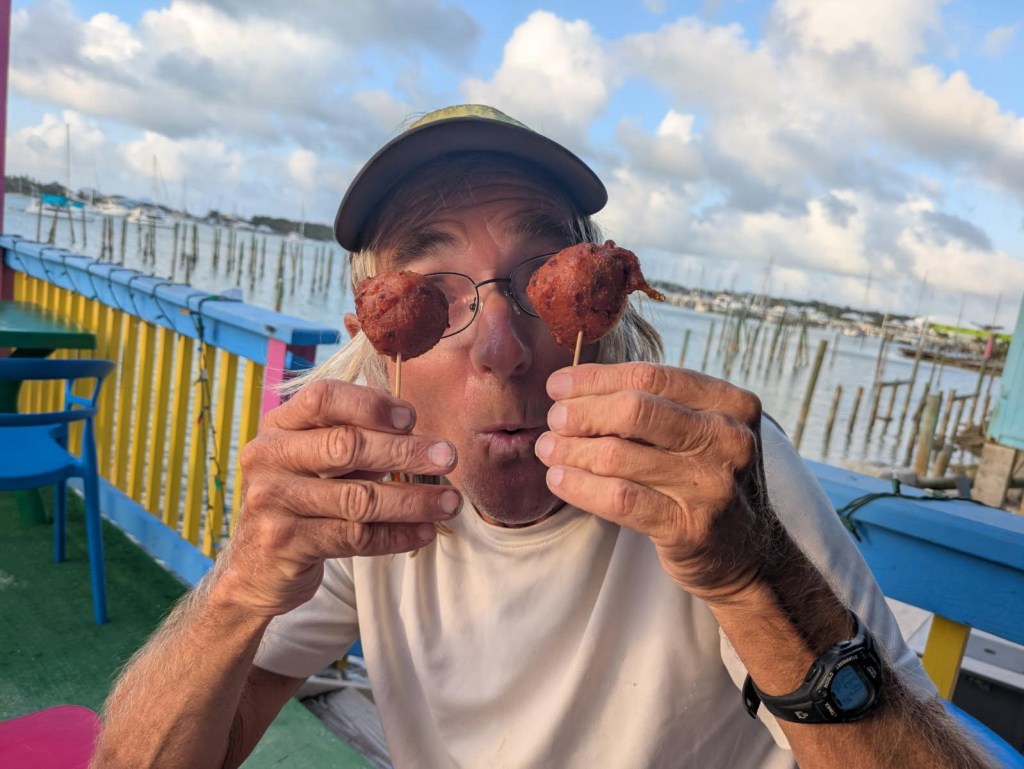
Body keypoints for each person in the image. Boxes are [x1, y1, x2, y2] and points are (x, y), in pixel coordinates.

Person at [91, 105, 994, 769]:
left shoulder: (724, 483)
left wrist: (754, 576)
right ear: (375, 341)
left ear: (606, 305)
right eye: (432, 293)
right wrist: (239, 588)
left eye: (543, 276)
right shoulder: (364, 498)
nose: (503, 348)